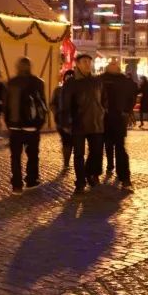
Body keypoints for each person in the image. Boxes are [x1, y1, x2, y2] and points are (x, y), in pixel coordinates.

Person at [60, 53, 106, 193]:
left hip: (96, 123)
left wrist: (103, 112)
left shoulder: (97, 81)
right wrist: (66, 122)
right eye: (84, 61)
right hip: (78, 123)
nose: (87, 64)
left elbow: (104, 100)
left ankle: (88, 173)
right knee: (79, 154)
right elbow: (65, 105)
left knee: (96, 152)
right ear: (78, 64)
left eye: (89, 61)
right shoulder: (71, 83)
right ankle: (80, 182)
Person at [4, 57, 47, 192]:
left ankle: (17, 184)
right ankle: (31, 180)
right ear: (30, 67)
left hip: (15, 125)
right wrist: (40, 123)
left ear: (17, 67)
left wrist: (8, 122)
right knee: (33, 154)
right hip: (32, 125)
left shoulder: (11, 83)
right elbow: (42, 104)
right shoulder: (38, 82)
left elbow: (5, 106)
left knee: (15, 156)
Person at [100, 61, 137, 190]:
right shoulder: (100, 80)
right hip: (103, 118)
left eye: (116, 64)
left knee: (119, 147)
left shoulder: (125, 81)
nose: (114, 64)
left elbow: (132, 95)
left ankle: (124, 177)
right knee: (103, 145)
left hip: (118, 118)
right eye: (111, 63)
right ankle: (103, 168)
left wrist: (126, 110)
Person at [51, 70, 75, 168]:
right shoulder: (58, 90)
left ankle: (67, 163)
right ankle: (67, 163)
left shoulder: (59, 90)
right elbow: (53, 105)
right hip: (64, 120)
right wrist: (57, 114)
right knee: (68, 142)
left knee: (67, 143)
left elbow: (52, 105)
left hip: (65, 120)